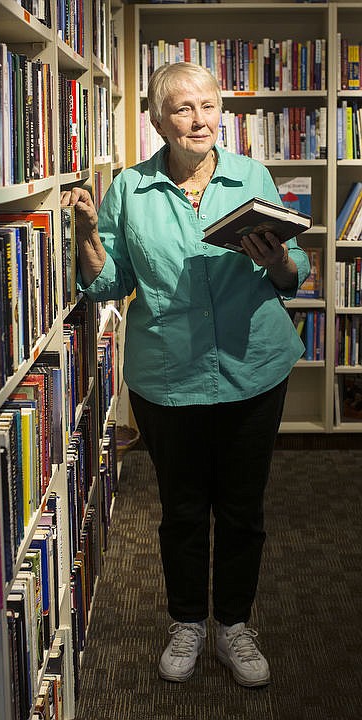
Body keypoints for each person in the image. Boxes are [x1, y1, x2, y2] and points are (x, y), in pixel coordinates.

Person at [61, 62, 310, 687]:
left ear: (220, 110)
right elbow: (109, 283)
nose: (198, 119)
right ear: (156, 120)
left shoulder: (250, 175)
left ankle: (234, 624)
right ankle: (186, 622)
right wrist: (88, 234)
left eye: (207, 105)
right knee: (182, 509)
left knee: (243, 508)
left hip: (255, 369)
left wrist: (278, 257)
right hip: (168, 376)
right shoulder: (129, 190)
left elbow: (294, 273)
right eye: (182, 109)